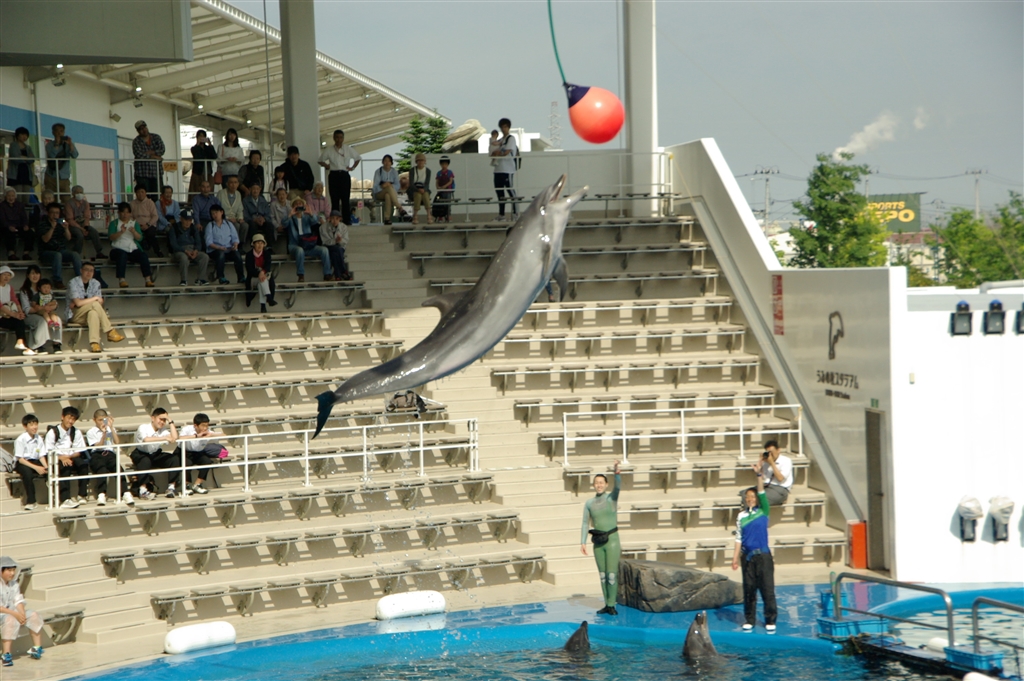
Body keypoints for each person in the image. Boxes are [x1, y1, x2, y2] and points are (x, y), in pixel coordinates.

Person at [732, 465, 777, 632]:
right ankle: (749, 619)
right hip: (747, 557)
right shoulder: (741, 516)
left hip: (763, 556)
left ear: (756, 499)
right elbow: (739, 538)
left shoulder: (763, 511)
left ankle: (770, 619)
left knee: (767, 589)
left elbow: (762, 492)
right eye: (747, 497)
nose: (750, 499)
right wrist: (735, 558)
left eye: (752, 496)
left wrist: (759, 475)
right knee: (749, 589)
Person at [581, 460, 622, 616]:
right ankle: (606, 603)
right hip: (598, 541)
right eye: (596, 482)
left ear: (606, 484)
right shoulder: (589, 503)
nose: (599, 485)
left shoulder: (611, 499)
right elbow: (585, 522)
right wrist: (582, 542)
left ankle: (612, 604)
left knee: (611, 575)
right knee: (603, 575)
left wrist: (616, 472)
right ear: (593, 485)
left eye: (601, 482)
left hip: (612, 540)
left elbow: (618, 487)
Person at [66, 262, 125, 353]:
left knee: (93, 313)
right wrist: (95, 298)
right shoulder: (73, 282)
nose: (89, 272)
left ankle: (94, 344)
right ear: (81, 270)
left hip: (88, 314)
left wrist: (87, 301)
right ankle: (110, 331)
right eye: (86, 270)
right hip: (75, 314)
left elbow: (100, 302)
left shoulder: (96, 283)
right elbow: (78, 303)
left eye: (91, 271)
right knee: (95, 304)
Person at [0, 556, 44, 667]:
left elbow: (18, 600)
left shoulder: (14, 584)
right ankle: (6, 654)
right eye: (9, 570)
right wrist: (16, 614)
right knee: (10, 620)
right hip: (3, 614)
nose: (12, 573)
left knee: (33, 615)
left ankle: (37, 648)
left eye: (13, 570)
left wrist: (22, 614)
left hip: (11, 612)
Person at [45, 406, 90, 509]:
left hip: (71, 456)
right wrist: (61, 458)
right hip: (56, 458)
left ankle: (82, 495)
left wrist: (68, 456)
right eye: (69, 418)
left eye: (73, 419)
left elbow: (78, 451)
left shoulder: (76, 432)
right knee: (65, 467)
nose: (71, 421)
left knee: (83, 465)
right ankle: (65, 499)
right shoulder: (52, 432)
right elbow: (49, 452)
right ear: (62, 417)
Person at [174, 412, 228, 495]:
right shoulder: (187, 429)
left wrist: (211, 435)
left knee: (207, 461)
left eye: (207, 425)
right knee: (187, 463)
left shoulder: (208, 431)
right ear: (196, 425)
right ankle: (186, 486)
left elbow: (224, 435)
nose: (205, 428)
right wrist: (196, 436)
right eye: (203, 425)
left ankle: (197, 485)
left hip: (197, 452)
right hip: (183, 451)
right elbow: (179, 438)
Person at [108, 202, 155, 288]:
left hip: (131, 248)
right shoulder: (114, 223)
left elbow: (139, 238)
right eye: (123, 212)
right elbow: (111, 237)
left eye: (127, 212)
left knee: (143, 256)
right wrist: (120, 232)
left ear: (130, 213)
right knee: (122, 255)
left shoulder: (134, 223)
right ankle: (122, 279)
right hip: (117, 249)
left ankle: (148, 279)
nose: (125, 214)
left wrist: (134, 232)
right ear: (119, 213)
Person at [132, 408, 177, 499]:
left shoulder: (163, 430)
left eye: (164, 420)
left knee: (174, 459)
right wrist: (164, 438)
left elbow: (174, 438)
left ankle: (171, 488)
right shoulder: (143, 427)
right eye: (160, 419)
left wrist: (170, 420)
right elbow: (146, 439)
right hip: (141, 453)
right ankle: (143, 491)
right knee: (145, 461)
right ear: (153, 418)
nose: (162, 422)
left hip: (155, 454)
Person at [318, 129, 361, 223]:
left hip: (344, 175)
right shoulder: (329, 149)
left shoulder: (348, 149)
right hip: (333, 175)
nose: (339, 139)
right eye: (337, 137)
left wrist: (352, 167)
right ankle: (335, 220)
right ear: (334, 138)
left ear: (343, 138)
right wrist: (326, 166)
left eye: (341, 137)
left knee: (345, 199)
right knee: (334, 199)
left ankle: (347, 220)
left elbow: (357, 158)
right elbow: (320, 160)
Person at [285, 198, 331, 282]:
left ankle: (327, 274)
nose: (298, 205)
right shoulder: (290, 219)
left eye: (300, 204)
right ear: (293, 206)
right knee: (300, 250)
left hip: (308, 245)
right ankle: (301, 275)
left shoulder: (307, 217)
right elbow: (284, 224)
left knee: (324, 250)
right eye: (296, 204)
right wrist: (290, 214)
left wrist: (310, 213)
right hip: (295, 245)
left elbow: (315, 221)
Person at [37, 202, 82, 289]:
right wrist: (52, 228)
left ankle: (80, 279)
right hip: (46, 252)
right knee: (57, 255)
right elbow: (45, 239)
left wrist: (66, 228)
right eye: (52, 212)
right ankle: (57, 280)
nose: (55, 215)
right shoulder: (42, 224)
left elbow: (69, 238)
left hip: (61, 250)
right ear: (48, 213)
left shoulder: (61, 222)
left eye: (57, 213)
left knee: (75, 254)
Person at [17, 265, 57, 353]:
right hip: (30, 315)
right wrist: (40, 308)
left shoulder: (46, 287)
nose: (35, 276)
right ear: (28, 275)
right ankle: (39, 346)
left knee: (57, 320)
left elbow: (55, 303)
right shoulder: (24, 290)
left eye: (37, 273)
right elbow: (26, 309)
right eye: (32, 273)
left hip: (46, 312)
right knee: (41, 321)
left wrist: (50, 307)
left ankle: (57, 344)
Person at [84, 409, 119, 507]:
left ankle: (125, 493)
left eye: (104, 420)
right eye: (100, 420)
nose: (102, 422)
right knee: (101, 469)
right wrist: (104, 434)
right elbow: (99, 446)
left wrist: (111, 428)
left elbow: (117, 442)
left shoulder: (111, 429)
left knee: (118, 469)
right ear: (94, 420)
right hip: (97, 454)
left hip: (109, 453)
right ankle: (101, 494)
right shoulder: (91, 432)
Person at [13, 414, 47, 511]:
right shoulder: (20, 440)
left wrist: (46, 467)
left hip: (35, 461)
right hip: (22, 462)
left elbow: (41, 456)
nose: (34, 427)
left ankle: (59, 498)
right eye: (31, 425)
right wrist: (36, 468)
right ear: (25, 426)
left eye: (36, 424)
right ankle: (31, 501)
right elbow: (20, 459)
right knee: (27, 474)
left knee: (51, 471)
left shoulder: (39, 438)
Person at [0, 266, 37, 356]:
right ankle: (24, 345)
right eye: (4, 275)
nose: (6, 277)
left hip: (7, 314)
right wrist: (13, 314)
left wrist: (20, 312)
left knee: (20, 321)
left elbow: (15, 300)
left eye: (8, 275)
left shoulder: (9, 287)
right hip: (2, 315)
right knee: (18, 321)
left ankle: (21, 342)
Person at [204, 203, 244, 285]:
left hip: (228, 249)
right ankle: (221, 277)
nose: (215, 215)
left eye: (216, 212)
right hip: (215, 250)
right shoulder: (210, 225)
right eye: (212, 213)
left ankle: (241, 277)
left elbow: (235, 238)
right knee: (220, 254)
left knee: (237, 254)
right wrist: (218, 247)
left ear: (221, 212)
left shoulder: (229, 224)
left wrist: (235, 245)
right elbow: (208, 242)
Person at [168, 208, 209, 286]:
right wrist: (185, 251)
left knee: (204, 257)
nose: (188, 222)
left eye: (190, 220)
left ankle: (200, 279)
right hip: (179, 251)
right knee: (183, 257)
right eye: (186, 220)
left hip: (192, 250)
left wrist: (196, 250)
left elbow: (198, 242)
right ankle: (184, 280)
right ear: (181, 219)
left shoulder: (193, 228)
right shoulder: (174, 228)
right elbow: (174, 244)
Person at [64, 186, 105, 260]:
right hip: (73, 225)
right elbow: (70, 219)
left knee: (94, 232)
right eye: (77, 192)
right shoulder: (69, 203)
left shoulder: (85, 203)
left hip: (83, 224)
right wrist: (81, 229)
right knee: (79, 235)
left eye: (81, 192)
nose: (79, 194)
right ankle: (76, 254)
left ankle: (99, 252)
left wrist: (85, 227)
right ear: (73, 193)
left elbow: (86, 217)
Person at [491, 118, 518, 221]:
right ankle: (501, 215)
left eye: (505, 127)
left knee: (510, 191)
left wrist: (499, 153)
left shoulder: (511, 138)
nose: (503, 129)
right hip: (498, 169)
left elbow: (506, 152)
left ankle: (515, 214)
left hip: (507, 170)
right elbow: (493, 150)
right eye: (502, 127)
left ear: (509, 127)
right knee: (500, 193)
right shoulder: (501, 140)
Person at [43, 123, 78, 200]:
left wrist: (70, 144)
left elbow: (75, 155)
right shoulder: (49, 145)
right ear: (53, 132)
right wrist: (57, 144)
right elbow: (52, 156)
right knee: (51, 200)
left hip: (64, 177)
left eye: (61, 131)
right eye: (57, 131)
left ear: (64, 132)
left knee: (66, 199)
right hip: (51, 176)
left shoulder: (68, 144)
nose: (59, 133)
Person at [244, 233, 277, 312]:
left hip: (264, 277)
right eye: (258, 243)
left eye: (261, 243)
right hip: (253, 278)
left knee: (261, 282)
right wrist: (259, 273)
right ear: (253, 244)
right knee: (262, 280)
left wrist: (262, 272)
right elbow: (249, 269)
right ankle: (269, 298)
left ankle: (263, 306)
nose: (260, 245)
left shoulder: (267, 254)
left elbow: (268, 266)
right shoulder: (249, 255)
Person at [132, 121, 165, 195]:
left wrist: (150, 153)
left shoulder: (156, 137)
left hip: (156, 172)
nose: (144, 130)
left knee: (158, 195)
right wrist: (154, 157)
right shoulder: (136, 141)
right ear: (138, 131)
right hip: (142, 173)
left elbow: (162, 150)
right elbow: (139, 155)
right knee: (144, 196)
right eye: (141, 129)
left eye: (144, 127)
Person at [372, 155, 405, 225]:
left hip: (390, 192)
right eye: (385, 161)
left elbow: (397, 185)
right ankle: (399, 207)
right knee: (388, 189)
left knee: (388, 195)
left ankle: (387, 218)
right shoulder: (378, 171)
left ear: (391, 163)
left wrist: (390, 185)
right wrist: (383, 186)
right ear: (383, 162)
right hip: (379, 192)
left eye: (389, 161)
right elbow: (375, 187)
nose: (387, 163)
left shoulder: (394, 172)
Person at [129, 185, 162, 256]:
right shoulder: (132, 203)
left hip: (149, 224)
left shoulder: (150, 202)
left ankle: (158, 251)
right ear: (135, 193)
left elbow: (155, 216)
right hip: (137, 225)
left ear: (145, 193)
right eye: (138, 192)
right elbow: (130, 216)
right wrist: (137, 224)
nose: (140, 194)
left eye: (142, 192)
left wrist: (148, 224)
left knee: (150, 234)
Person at [215, 175, 248, 245]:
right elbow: (217, 209)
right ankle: (234, 244)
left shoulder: (238, 194)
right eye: (231, 182)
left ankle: (241, 244)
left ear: (238, 184)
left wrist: (240, 218)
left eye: (235, 182)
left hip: (235, 218)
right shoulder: (221, 193)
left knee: (245, 225)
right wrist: (227, 218)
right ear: (227, 184)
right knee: (236, 226)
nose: (233, 185)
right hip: (224, 218)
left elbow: (240, 209)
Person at [1, 188, 32, 260]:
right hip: (6, 226)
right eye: (9, 196)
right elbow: (2, 220)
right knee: (8, 233)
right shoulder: (2, 206)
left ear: (15, 196)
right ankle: (11, 254)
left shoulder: (20, 205)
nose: (11, 198)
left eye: (12, 196)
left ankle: (26, 253)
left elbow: (24, 217)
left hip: (19, 225)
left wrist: (25, 225)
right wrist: (9, 226)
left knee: (30, 233)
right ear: (5, 196)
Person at [6, 127, 36, 201]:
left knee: (26, 196)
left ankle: (25, 209)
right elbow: (15, 159)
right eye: (22, 134)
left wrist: (23, 157)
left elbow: (32, 159)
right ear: (17, 135)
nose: (24, 137)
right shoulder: (13, 145)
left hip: (27, 174)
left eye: (26, 135)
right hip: (16, 174)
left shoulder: (28, 147)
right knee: (18, 196)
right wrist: (27, 159)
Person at [760, 440, 793, 506]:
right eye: (768, 452)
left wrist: (772, 463)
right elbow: (762, 478)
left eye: (771, 452)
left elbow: (780, 478)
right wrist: (760, 462)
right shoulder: (766, 462)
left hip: (780, 488)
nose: (770, 455)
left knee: (758, 498)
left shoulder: (786, 461)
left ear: (778, 450)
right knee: (746, 493)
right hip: (767, 487)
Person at [321, 210, 351, 281]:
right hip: (328, 247)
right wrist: (335, 241)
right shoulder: (323, 227)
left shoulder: (344, 227)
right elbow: (325, 241)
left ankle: (337, 275)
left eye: (337, 219)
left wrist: (340, 241)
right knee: (337, 249)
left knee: (335, 254)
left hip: (340, 247)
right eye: (333, 218)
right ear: (329, 218)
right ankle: (343, 271)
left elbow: (346, 240)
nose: (334, 221)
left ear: (340, 219)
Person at [188, 129, 218, 196]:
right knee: (196, 190)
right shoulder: (194, 148)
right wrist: (198, 144)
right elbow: (197, 156)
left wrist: (210, 144)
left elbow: (214, 156)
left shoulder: (208, 148)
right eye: (200, 136)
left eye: (203, 136)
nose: (202, 138)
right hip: (198, 173)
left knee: (209, 190)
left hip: (208, 172)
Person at [406, 153, 434, 225]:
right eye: (419, 160)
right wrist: (418, 189)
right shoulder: (412, 170)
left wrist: (423, 189)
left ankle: (429, 215)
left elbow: (427, 183)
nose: (421, 162)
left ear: (425, 161)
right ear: (416, 161)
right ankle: (415, 215)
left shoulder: (428, 171)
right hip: (414, 190)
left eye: (422, 160)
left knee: (425, 195)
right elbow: (411, 184)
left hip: (424, 189)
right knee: (418, 195)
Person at [434, 155, 455, 222]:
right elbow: (437, 181)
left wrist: (445, 186)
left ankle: (448, 216)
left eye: (445, 164)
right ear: (440, 164)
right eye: (443, 164)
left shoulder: (450, 172)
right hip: (440, 192)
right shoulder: (439, 173)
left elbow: (450, 181)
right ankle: (440, 216)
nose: (444, 166)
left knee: (448, 204)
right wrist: (438, 187)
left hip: (448, 191)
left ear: (448, 164)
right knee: (440, 204)